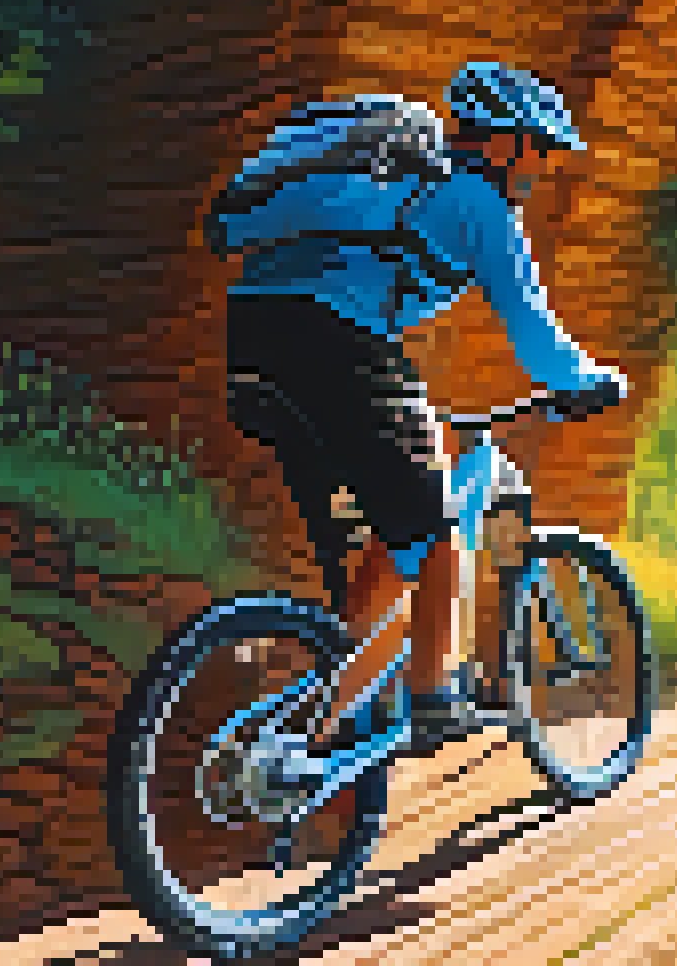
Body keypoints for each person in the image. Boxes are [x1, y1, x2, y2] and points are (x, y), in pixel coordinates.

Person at [206, 62, 628, 744]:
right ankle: (433, 696)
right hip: (338, 346)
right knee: (434, 534)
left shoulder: (393, 183)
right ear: (506, 141)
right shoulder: (479, 204)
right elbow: (537, 337)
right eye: (538, 150)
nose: (539, 169)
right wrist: (588, 382)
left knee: (387, 535)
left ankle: (320, 726)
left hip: (255, 343)